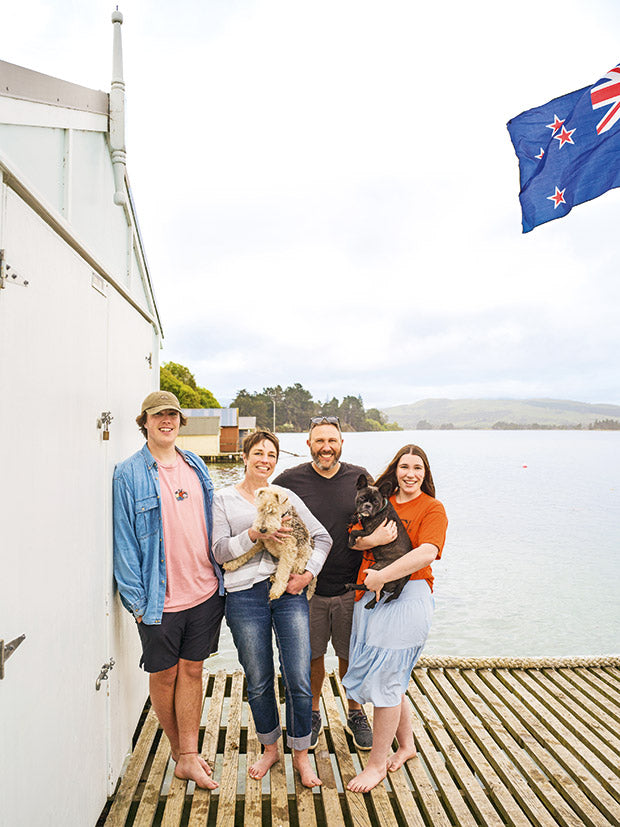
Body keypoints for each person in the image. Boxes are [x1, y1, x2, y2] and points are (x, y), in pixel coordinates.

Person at [113, 391, 225, 790]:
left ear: (180, 422)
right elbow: (124, 541)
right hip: (159, 600)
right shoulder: (128, 474)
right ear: (144, 421)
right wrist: (137, 602)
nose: (166, 421)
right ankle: (180, 753)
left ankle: (189, 755)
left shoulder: (195, 463)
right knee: (164, 677)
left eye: (173, 415)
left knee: (193, 671)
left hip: (206, 590)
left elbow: (214, 522)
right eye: (158, 415)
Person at [212, 430, 332, 788]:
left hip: (289, 591)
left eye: (271, 455)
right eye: (258, 453)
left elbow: (322, 537)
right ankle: (270, 749)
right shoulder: (223, 499)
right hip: (244, 595)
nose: (265, 460)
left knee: (297, 675)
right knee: (260, 679)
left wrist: (307, 573)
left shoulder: (287, 496)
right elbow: (218, 551)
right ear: (244, 455)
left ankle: (301, 755)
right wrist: (253, 535)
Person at [342, 444, 448, 793]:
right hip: (370, 596)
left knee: (388, 678)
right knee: (393, 678)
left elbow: (427, 552)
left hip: (409, 596)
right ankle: (406, 746)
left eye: (418, 468)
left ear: (425, 474)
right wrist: (370, 544)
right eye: (405, 466)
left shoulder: (432, 508)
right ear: (395, 470)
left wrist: (383, 576)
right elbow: (352, 540)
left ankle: (376, 765)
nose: (411, 474)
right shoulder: (376, 501)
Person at [272, 416, 373, 750]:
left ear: (342, 443)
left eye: (332, 441)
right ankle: (313, 712)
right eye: (319, 441)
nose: (326, 447)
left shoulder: (360, 478)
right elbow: (268, 513)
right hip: (307, 588)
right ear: (309, 444)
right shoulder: (289, 480)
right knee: (311, 656)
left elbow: (380, 520)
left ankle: (355, 711)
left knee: (350, 655)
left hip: (351, 589)